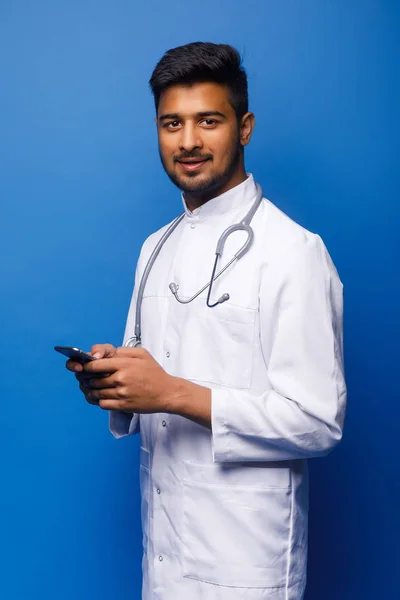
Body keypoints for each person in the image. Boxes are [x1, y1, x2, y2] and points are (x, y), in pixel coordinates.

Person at [67, 42, 347, 600]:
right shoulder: (156, 247)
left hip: (245, 562)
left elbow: (319, 421)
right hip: (164, 552)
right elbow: (150, 378)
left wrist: (171, 393)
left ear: (244, 128)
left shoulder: (292, 251)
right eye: (172, 123)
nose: (188, 141)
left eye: (208, 121)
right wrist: (115, 381)